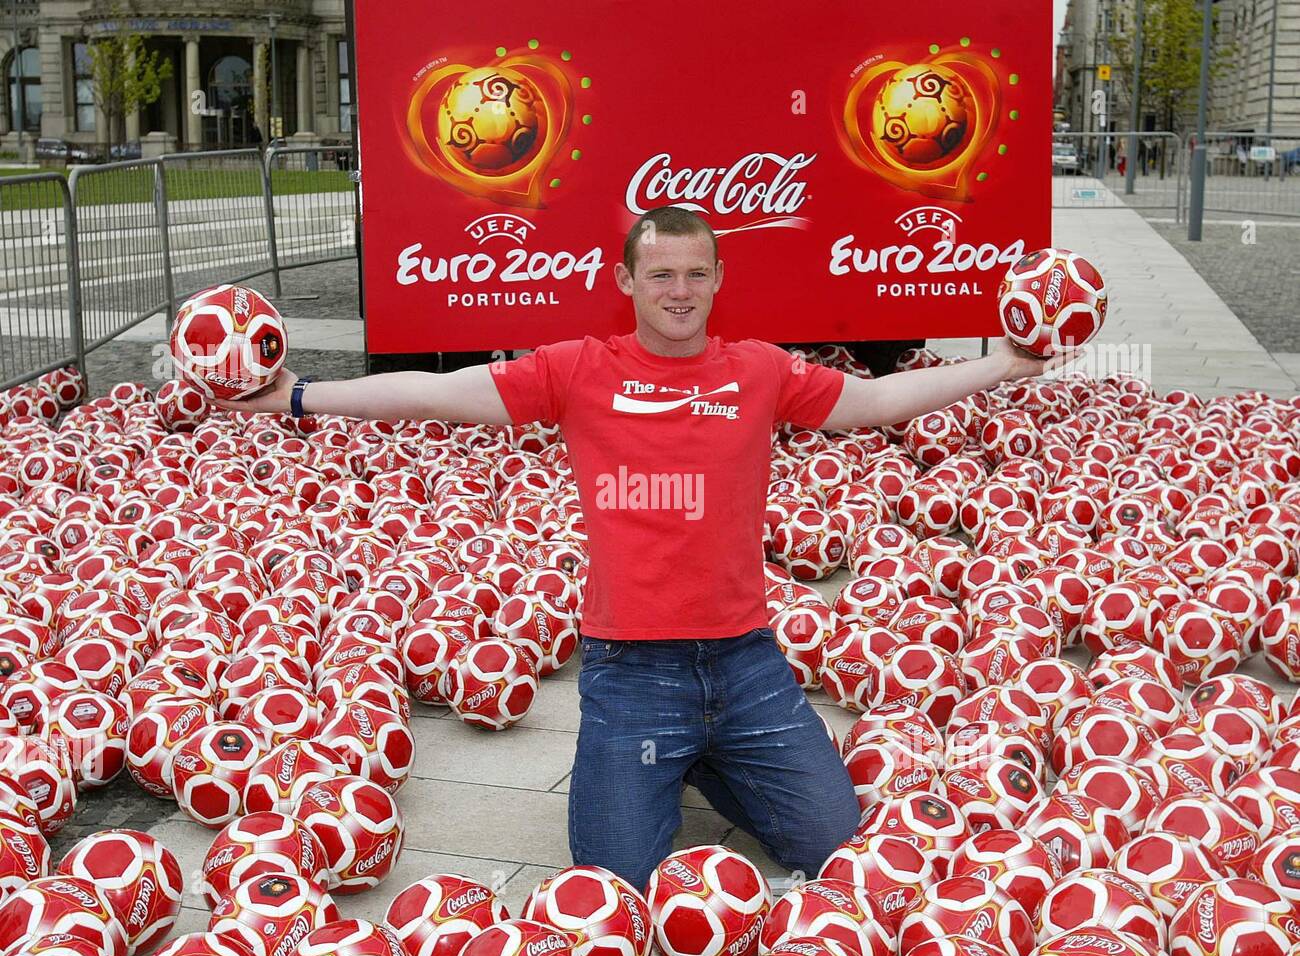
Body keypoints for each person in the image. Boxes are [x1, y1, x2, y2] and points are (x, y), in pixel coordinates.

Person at [220, 207, 1072, 890]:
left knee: (833, 849)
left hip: (746, 663)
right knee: (612, 884)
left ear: (719, 280)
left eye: (697, 273)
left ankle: (707, 760)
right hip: (634, 671)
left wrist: (1001, 365)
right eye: (661, 273)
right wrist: (300, 395)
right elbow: (438, 391)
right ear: (626, 279)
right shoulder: (579, 368)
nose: (680, 289)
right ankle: (681, 760)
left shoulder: (760, 370)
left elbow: (878, 400)